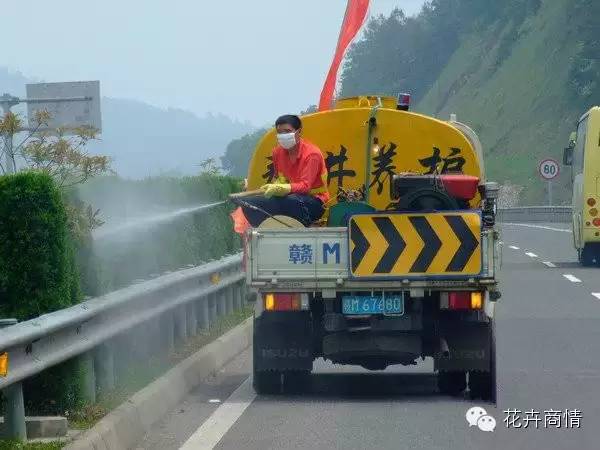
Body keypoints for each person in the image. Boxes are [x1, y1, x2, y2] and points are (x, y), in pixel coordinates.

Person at [241, 114, 330, 227]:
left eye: (287, 131)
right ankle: (265, 230)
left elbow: (305, 186)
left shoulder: (312, 154)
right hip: (289, 198)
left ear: (299, 131)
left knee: (289, 201)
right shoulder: (277, 152)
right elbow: (278, 177)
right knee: (249, 203)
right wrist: (273, 187)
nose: (283, 135)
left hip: (314, 202)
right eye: (280, 132)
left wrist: (284, 188)